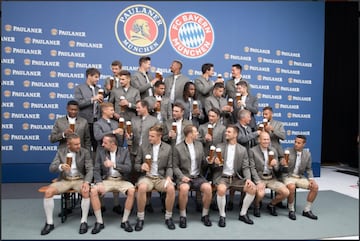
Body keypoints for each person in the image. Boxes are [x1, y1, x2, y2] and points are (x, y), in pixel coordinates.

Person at [40, 134, 93, 235]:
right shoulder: (61, 152)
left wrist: (86, 182)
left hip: (79, 179)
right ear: (69, 145)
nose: (79, 146)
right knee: (48, 192)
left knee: (86, 192)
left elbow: (90, 169)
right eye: (76, 144)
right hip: (65, 180)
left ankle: (84, 221)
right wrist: (60, 167)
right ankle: (49, 223)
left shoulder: (85, 152)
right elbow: (51, 168)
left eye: (79, 143)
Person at [209, 125, 257, 226]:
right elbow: (212, 165)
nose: (226, 133)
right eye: (226, 131)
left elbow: (245, 167)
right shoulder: (219, 146)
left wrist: (248, 179)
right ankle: (222, 216)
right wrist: (215, 162)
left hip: (236, 178)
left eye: (229, 132)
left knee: (252, 189)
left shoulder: (242, 149)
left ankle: (243, 214)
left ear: (235, 134)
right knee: (221, 189)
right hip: (222, 177)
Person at [90, 134, 136, 234]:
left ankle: (125, 220)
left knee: (132, 191)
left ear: (113, 143)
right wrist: (99, 183)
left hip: (121, 180)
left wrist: (114, 165)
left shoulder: (124, 152)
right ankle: (99, 222)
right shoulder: (101, 152)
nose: (102, 144)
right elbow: (96, 169)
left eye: (105, 143)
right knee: (93, 190)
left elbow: (128, 168)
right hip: (107, 180)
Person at [134, 124, 176, 231]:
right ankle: (140, 218)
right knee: (142, 188)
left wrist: (169, 177)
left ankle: (168, 217)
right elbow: (136, 164)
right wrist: (141, 167)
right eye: (149, 136)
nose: (149, 138)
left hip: (161, 177)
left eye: (152, 136)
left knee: (171, 188)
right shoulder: (143, 146)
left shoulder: (168, 148)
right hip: (147, 177)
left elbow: (170, 166)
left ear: (159, 136)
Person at [173, 124, 213, 228]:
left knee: (208, 188)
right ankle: (183, 216)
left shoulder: (199, 145)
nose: (198, 134)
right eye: (196, 132)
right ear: (190, 134)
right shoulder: (178, 148)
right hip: (184, 176)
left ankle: (205, 215)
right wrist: (181, 177)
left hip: (198, 176)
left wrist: (209, 161)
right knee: (184, 188)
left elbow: (203, 161)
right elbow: (175, 166)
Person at [248, 131, 289, 218]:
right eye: (264, 139)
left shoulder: (273, 150)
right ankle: (256, 206)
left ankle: (271, 204)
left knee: (285, 192)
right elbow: (252, 168)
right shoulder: (252, 151)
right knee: (261, 194)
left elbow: (277, 169)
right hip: (260, 178)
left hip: (271, 178)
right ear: (259, 140)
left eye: (268, 139)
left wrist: (275, 165)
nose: (266, 141)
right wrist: (258, 182)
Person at [280, 135, 319, 220]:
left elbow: (309, 169)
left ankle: (307, 210)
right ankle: (291, 210)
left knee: (315, 187)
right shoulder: (288, 151)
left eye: (299, 143)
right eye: (295, 142)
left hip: (299, 177)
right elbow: (282, 168)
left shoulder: (307, 154)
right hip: (288, 176)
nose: (296, 144)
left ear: (304, 144)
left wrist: (311, 179)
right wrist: (282, 164)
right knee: (291, 187)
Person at [74, 67, 103, 154]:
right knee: (84, 145)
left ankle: (96, 166)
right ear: (89, 76)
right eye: (96, 77)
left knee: (97, 145)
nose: (97, 79)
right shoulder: (79, 88)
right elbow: (78, 104)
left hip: (97, 121)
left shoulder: (98, 89)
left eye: (98, 77)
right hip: (84, 121)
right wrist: (92, 99)